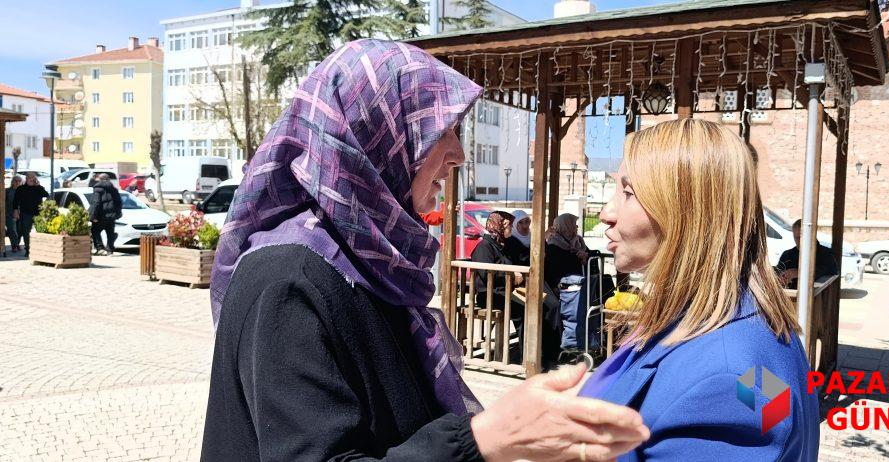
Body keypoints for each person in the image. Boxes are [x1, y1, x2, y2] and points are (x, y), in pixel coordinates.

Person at [202, 39, 648, 462]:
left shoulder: (368, 261)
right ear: (374, 135)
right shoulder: (286, 279)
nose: (458, 154)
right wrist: (485, 438)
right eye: (441, 130)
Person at [581, 118, 819, 460]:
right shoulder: (735, 324)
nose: (606, 213)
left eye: (628, 193)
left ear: (685, 213)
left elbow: (739, 393)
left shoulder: (728, 379)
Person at [774, 219, 840, 289]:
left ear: (812, 235)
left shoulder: (826, 253)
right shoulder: (787, 254)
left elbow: (832, 271)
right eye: (796, 238)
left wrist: (799, 273)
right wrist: (781, 277)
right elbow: (778, 272)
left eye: (802, 237)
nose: (799, 241)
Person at [544, 213, 590, 292]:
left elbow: (591, 254)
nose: (577, 226)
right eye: (574, 224)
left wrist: (585, 256)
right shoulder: (553, 243)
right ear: (566, 226)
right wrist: (579, 258)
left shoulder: (578, 240)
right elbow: (561, 265)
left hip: (580, 280)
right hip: (563, 285)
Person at [12, 172, 49, 257]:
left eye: (33, 177)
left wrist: (38, 185)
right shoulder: (21, 188)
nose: (31, 179)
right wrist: (15, 210)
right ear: (26, 178)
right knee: (26, 233)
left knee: (40, 231)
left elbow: (46, 194)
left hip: (38, 214)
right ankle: (28, 250)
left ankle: (39, 250)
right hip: (25, 213)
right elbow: (15, 201)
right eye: (30, 177)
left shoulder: (39, 188)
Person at [89, 173, 123, 255]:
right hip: (111, 216)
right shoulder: (114, 189)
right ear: (108, 179)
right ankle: (110, 250)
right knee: (110, 232)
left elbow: (96, 203)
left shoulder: (97, 189)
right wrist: (117, 214)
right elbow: (119, 202)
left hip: (101, 215)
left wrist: (93, 216)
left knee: (95, 230)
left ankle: (100, 248)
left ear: (100, 179)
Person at [5, 174, 23, 254]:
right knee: (12, 230)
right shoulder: (7, 191)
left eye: (19, 181)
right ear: (12, 182)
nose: (17, 182)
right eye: (16, 181)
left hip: (21, 214)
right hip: (10, 213)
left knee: (19, 231)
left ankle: (16, 244)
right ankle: (14, 245)